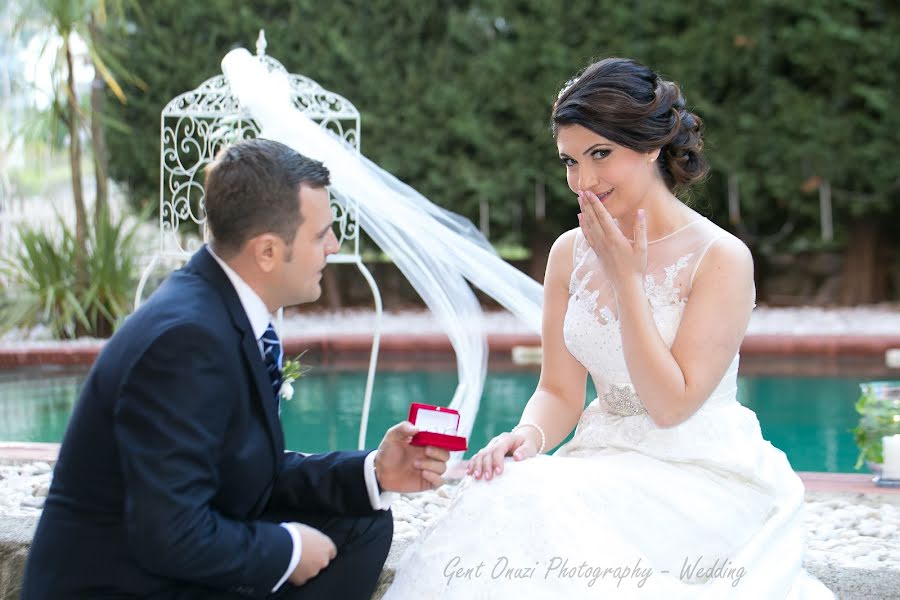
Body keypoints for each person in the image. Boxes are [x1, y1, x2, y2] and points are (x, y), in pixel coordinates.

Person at [383, 58, 833, 599]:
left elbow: (672, 406)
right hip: (600, 460)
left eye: (601, 155)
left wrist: (627, 280)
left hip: (699, 474)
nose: (584, 181)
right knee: (502, 489)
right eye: (570, 161)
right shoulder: (568, 252)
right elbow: (558, 391)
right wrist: (527, 436)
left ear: (650, 146)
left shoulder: (721, 257)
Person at [22, 138, 450, 600]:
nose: (334, 245)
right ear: (267, 251)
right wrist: (284, 548)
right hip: (121, 583)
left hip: (167, 559)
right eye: (320, 233)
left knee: (360, 523)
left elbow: (242, 470)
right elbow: (169, 533)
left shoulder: (222, 309)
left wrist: (374, 470)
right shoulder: (185, 341)